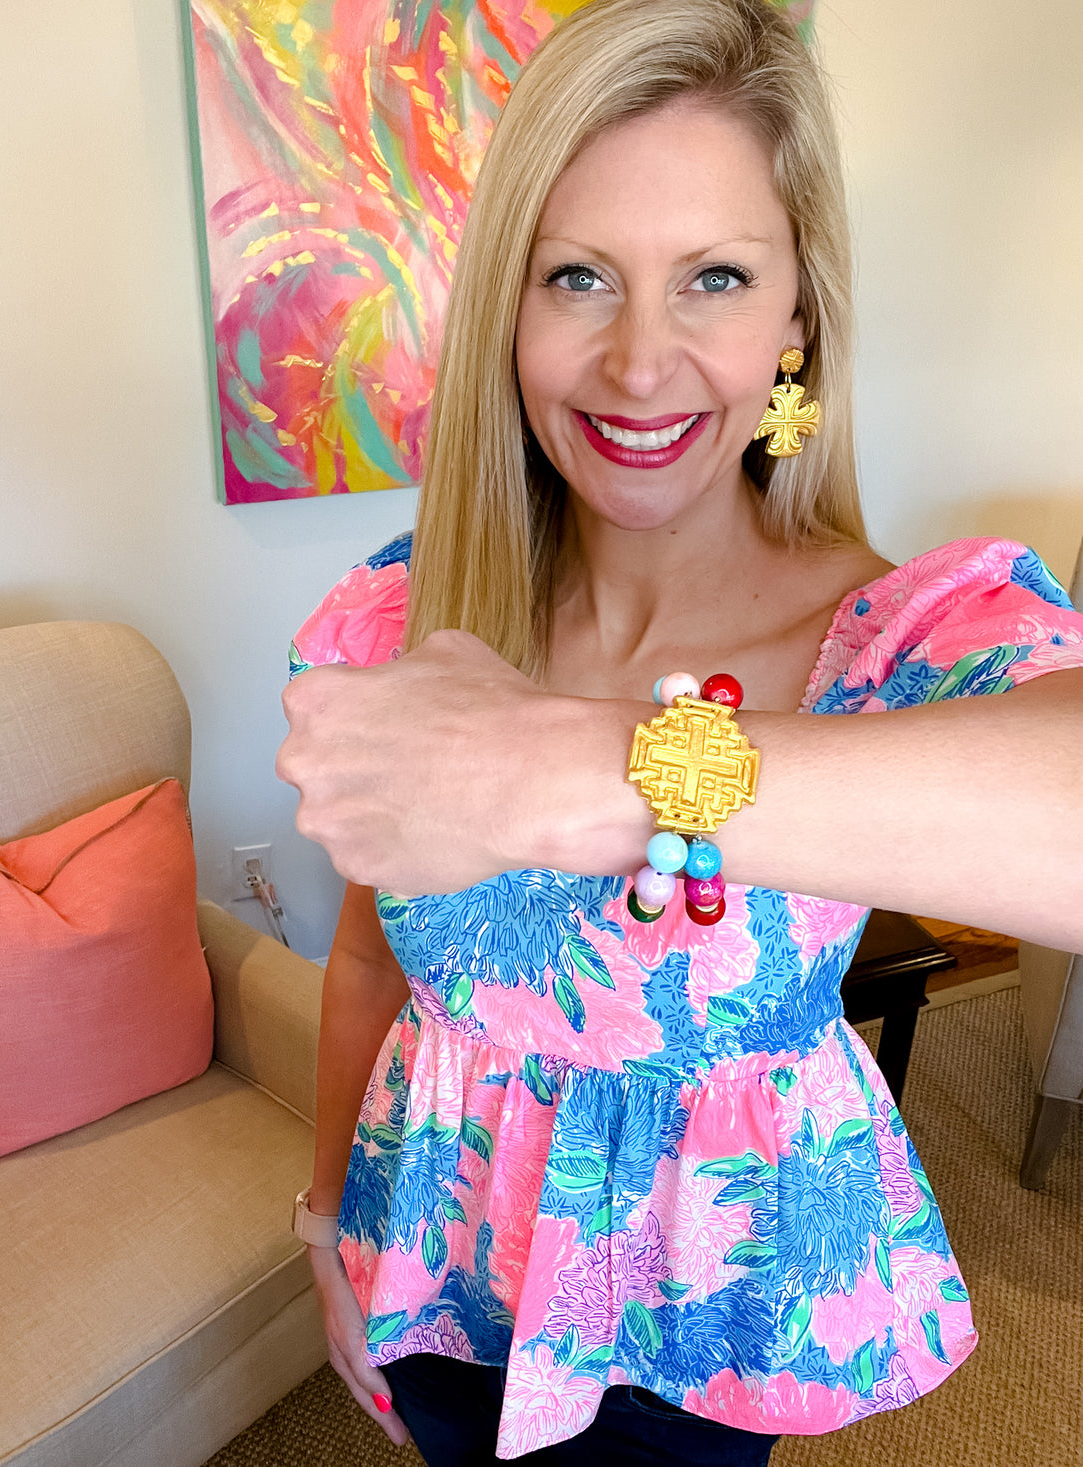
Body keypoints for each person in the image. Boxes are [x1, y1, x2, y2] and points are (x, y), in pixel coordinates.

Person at [276, 1, 1083, 1462]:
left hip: (695, 1337)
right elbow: (361, 962)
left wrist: (581, 769)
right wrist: (326, 1220)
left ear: (798, 318)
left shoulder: (896, 642)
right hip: (440, 1273)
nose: (640, 365)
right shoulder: (404, 624)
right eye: (578, 276)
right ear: (507, 313)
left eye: (712, 277)